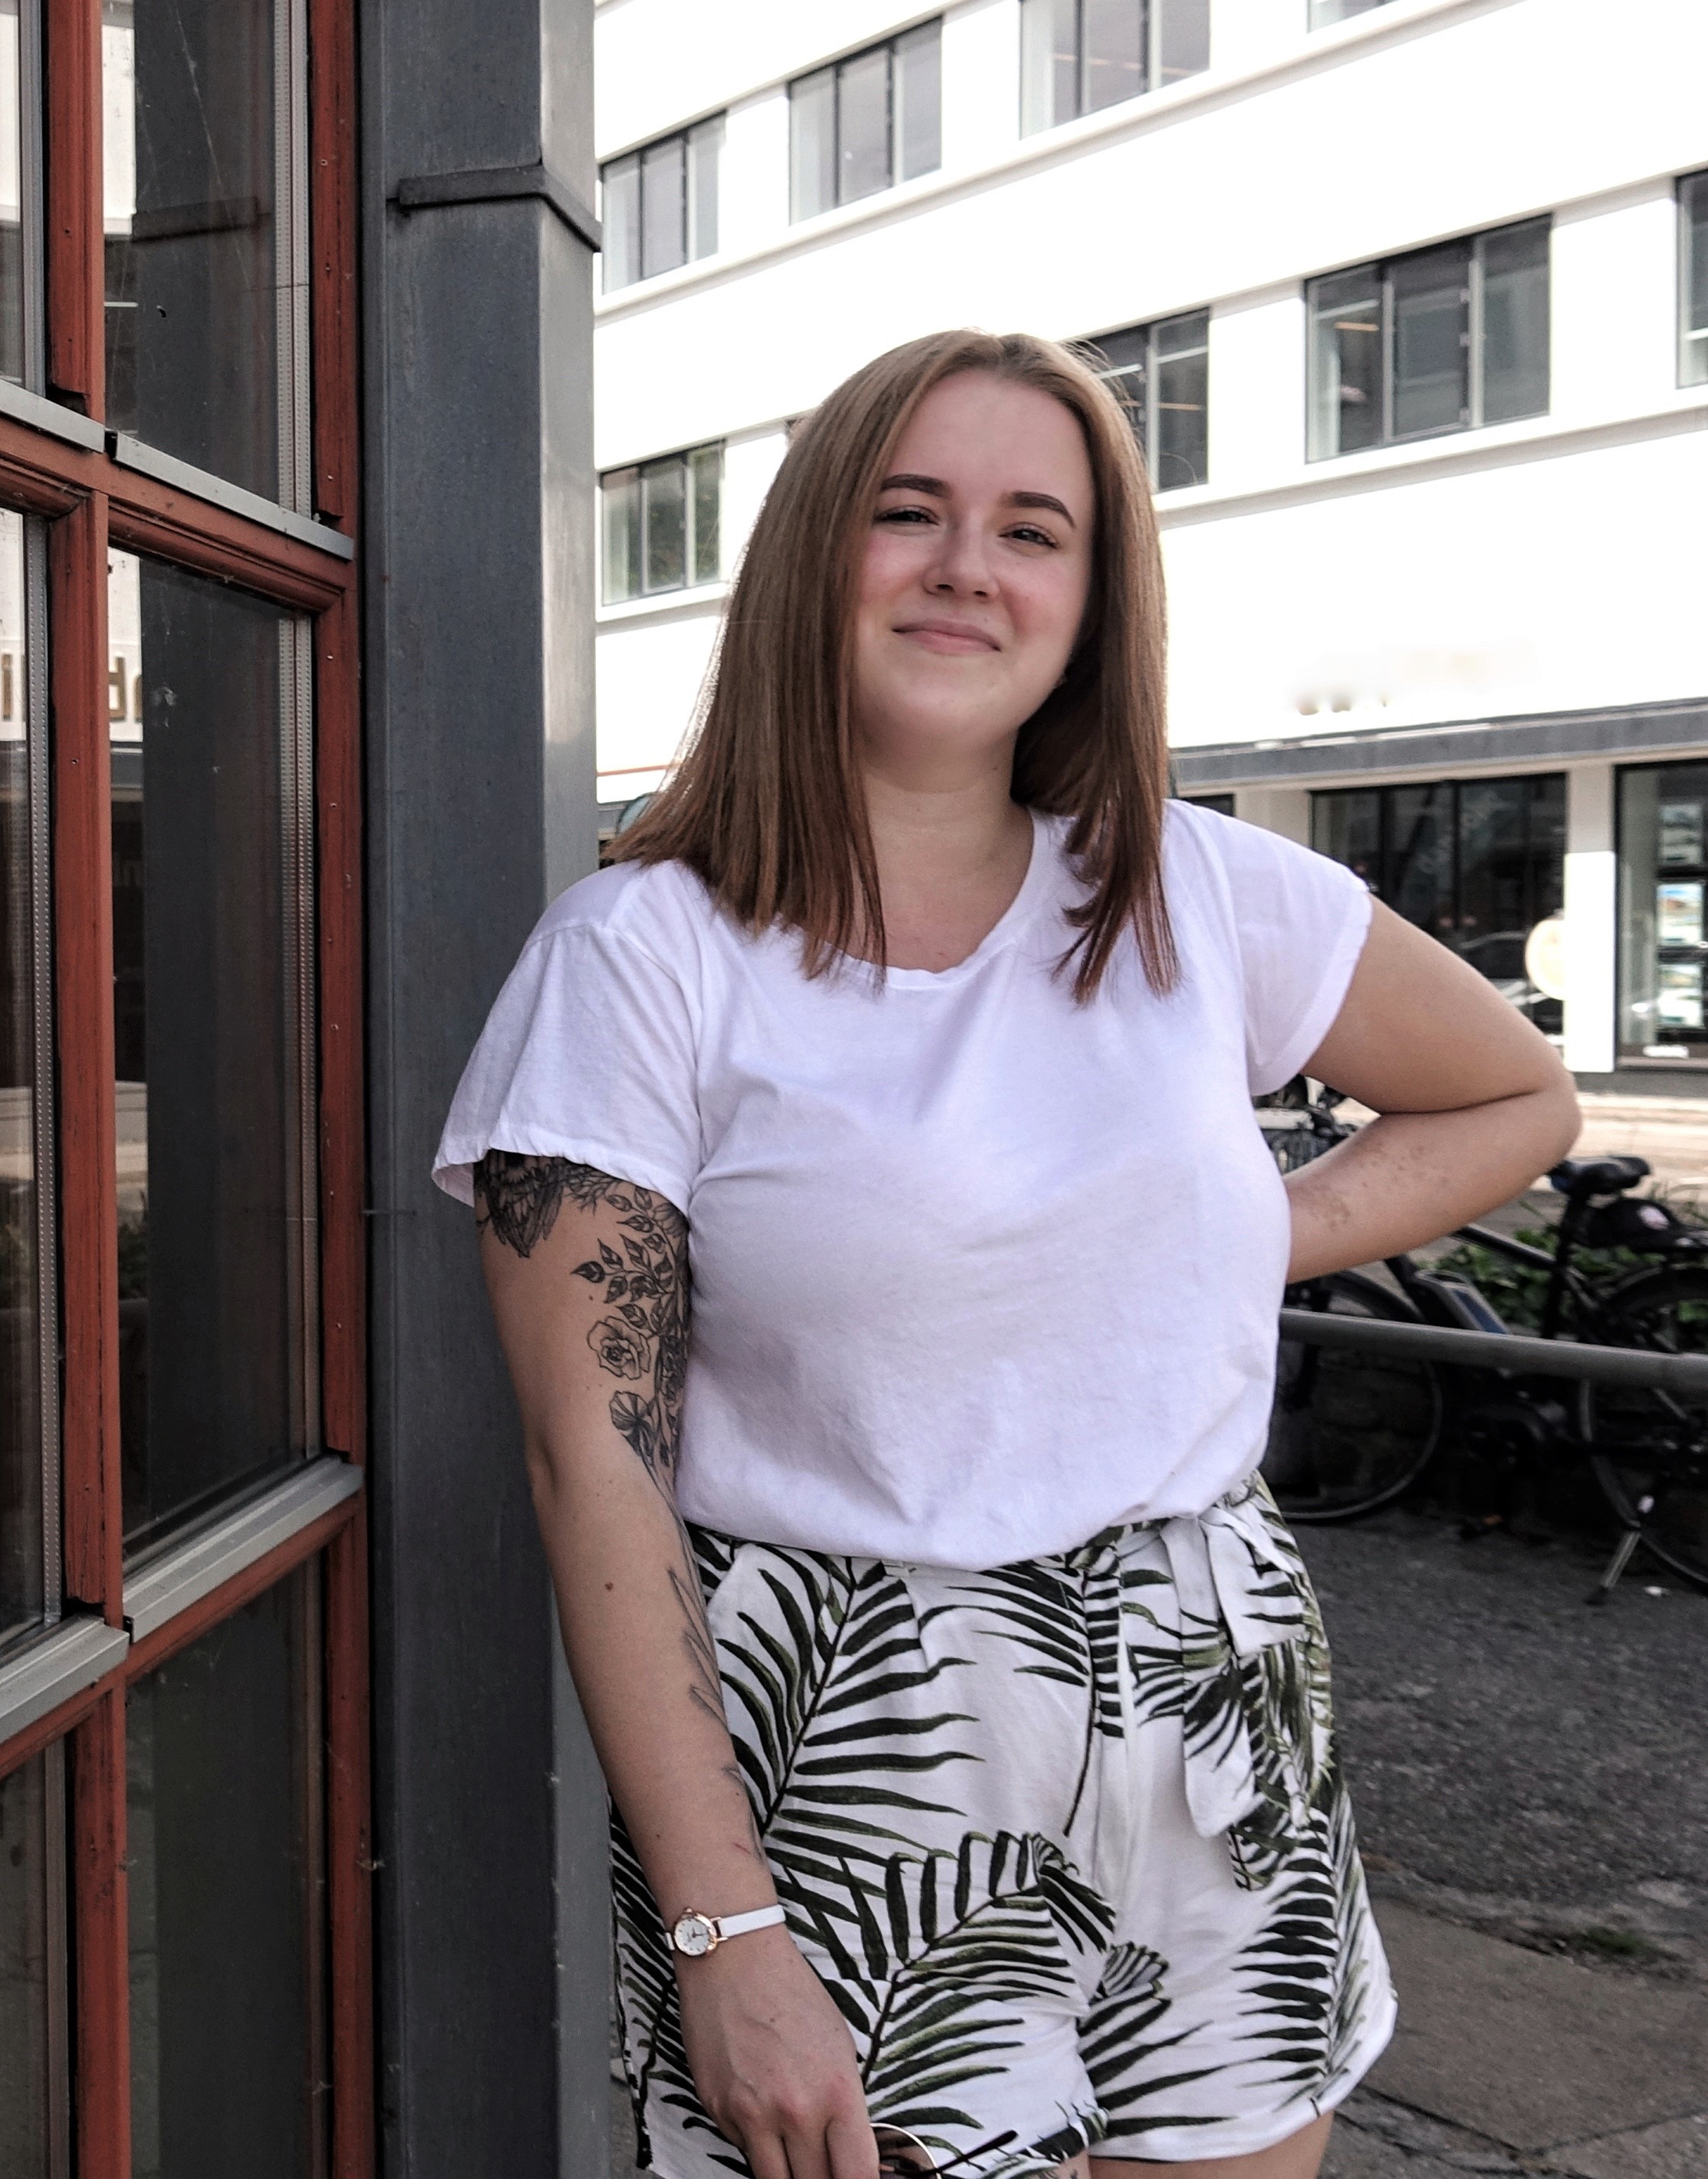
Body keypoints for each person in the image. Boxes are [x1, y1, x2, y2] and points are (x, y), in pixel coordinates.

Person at [435, 331, 1577, 2179]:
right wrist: (728, 1931)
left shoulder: (1202, 889)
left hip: (1212, 1678)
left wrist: (1218, 1248)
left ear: (1090, 600)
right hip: (861, 1727)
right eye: (912, 511)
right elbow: (597, 1471)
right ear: (819, 553)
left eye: (1033, 529)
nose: (971, 564)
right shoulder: (643, 953)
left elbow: (1516, 1097)